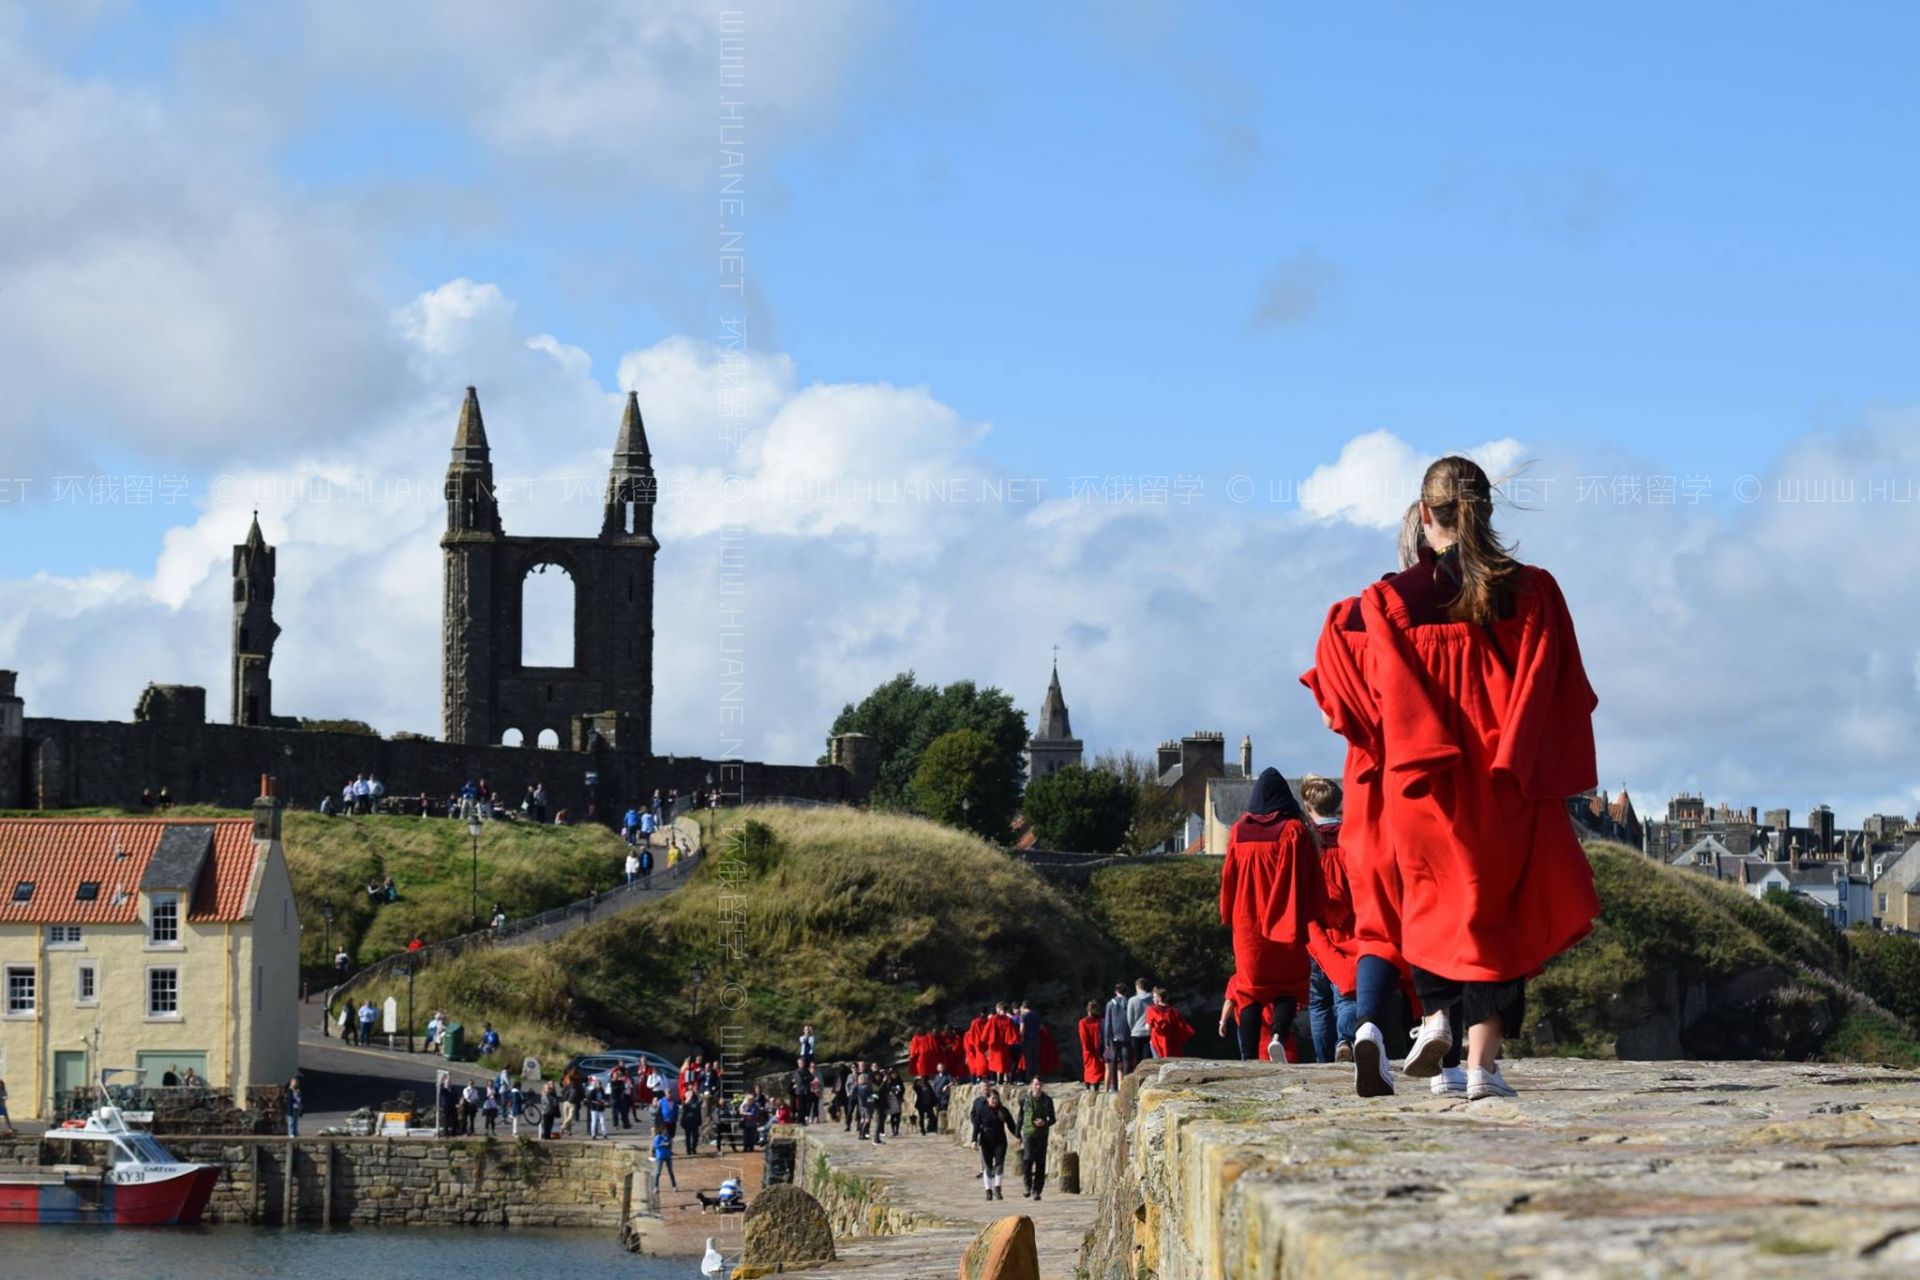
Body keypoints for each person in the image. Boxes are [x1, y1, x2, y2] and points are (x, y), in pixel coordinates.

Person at [1354, 456, 1601, 1102]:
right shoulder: (1535, 591)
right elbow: (1557, 684)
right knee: (1497, 914)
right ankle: (1481, 1067)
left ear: (1424, 514)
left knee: (1432, 906)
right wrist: (1519, 758)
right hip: (1502, 776)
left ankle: (1436, 1029)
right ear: (1487, 512)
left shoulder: (1389, 600)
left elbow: (1378, 696)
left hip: (1424, 777)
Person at [1301, 500, 1435, 1098]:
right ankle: (1443, 1032)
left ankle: (1372, 1033)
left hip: (1364, 785)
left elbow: (1328, 697)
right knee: (1442, 909)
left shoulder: (1349, 616)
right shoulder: (1447, 609)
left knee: (1379, 926)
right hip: (1427, 773)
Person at [1219, 767, 1314, 1064]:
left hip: (1246, 923)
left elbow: (1228, 878)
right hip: (1283, 919)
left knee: (1248, 991)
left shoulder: (1239, 831)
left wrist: (1227, 914)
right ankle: (1277, 1036)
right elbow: (1307, 877)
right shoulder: (1293, 831)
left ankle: (1248, 1057)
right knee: (1289, 985)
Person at [1300, 774, 1361, 1065]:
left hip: (1316, 929)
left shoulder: (1304, 841)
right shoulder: (1352, 837)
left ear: (1308, 804)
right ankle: (1345, 1041)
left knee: (1319, 1000)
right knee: (1347, 992)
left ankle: (1324, 1061)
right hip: (1352, 926)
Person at [969, 1086, 1018, 1201]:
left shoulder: (1003, 1111)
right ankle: (988, 1190)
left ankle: (997, 1187)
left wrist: (1017, 1135)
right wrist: (974, 1140)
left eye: (996, 1098)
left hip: (1000, 1141)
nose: (994, 1100)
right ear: (988, 1099)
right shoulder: (982, 1110)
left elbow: (1011, 1124)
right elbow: (976, 1126)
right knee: (987, 1166)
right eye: (992, 1098)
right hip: (986, 1140)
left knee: (999, 1164)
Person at [1016, 1078, 1056, 1200]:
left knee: (1040, 1162)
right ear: (1031, 1086)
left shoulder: (1047, 1101)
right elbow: (1020, 1116)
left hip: (1042, 1134)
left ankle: (1037, 1190)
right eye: (1035, 1084)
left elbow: (1053, 1119)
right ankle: (1027, 1186)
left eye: (1039, 1084)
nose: (1038, 1087)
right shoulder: (1025, 1100)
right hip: (1028, 1133)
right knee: (1028, 1159)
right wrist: (1018, 1134)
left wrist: (1044, 1123)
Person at [1144, 988, 1194, 1059]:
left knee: (1157, 1062)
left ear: (1159, 998)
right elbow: (1181, 1026)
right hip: (1171, 1041)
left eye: (1154, 997)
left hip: (1157, 1040)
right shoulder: (1173, 1010)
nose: (1153, 999)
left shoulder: (1152, 1010)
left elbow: (1147, 1027)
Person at [1101, 983, 1131, 1090]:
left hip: (1114, 1036)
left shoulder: (1110, 1004)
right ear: (1125, 992)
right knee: (1126, 1060)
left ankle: (1115, 1087)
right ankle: (1127, 1086)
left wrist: (1106, 1040)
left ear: (1115, 991)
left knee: (1113, 1061)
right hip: (1126, 1035)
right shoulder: (1128, 1002)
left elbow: (1107, 1023)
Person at [1076, 1000, 1105, 1090]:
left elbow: (1083, 1037)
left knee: (1089, 1069)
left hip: (1089, 1050)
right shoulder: (1100, 1021)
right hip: (1098, 1048)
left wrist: (1086, 1048)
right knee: (1098, 1069)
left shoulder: (1083, 1022)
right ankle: (1096, 1087)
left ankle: (1088, 1087)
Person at [1126, 979, 1153, 1070]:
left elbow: (1130, 1018)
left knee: (1136, 1058)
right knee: (1147, 1058)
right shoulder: (1152, 998)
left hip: (1136, 1032)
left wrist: (1133, 1028)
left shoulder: (1132, 1000)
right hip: (1149, 1032)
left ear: (1137, 987)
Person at [651, 1126, 677, 1195]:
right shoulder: (658, 1137)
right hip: (660, 1156)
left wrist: (669, 1144)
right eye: (664, 1130)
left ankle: (674, 1186)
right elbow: (655, 1145)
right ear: (661, 1131)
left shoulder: (668, 1138)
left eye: (666, 1131)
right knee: (658, 1172)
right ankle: (656, 1187)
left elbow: (670, 1145)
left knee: (670, 1171)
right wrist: (662, 1144)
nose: (665, 1132)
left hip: (667, 1156)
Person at [680, 1086, 703, 1154]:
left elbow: (701, 1100)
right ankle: (688, 1150)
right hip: (687, 1122)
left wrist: (697, 1093)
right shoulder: (686, 1104)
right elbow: (683, 1105)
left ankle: (693, 1148)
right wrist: (687, 1097)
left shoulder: (696, 1103)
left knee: (695, 1137)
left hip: (695, 1122)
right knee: (688, 1137)